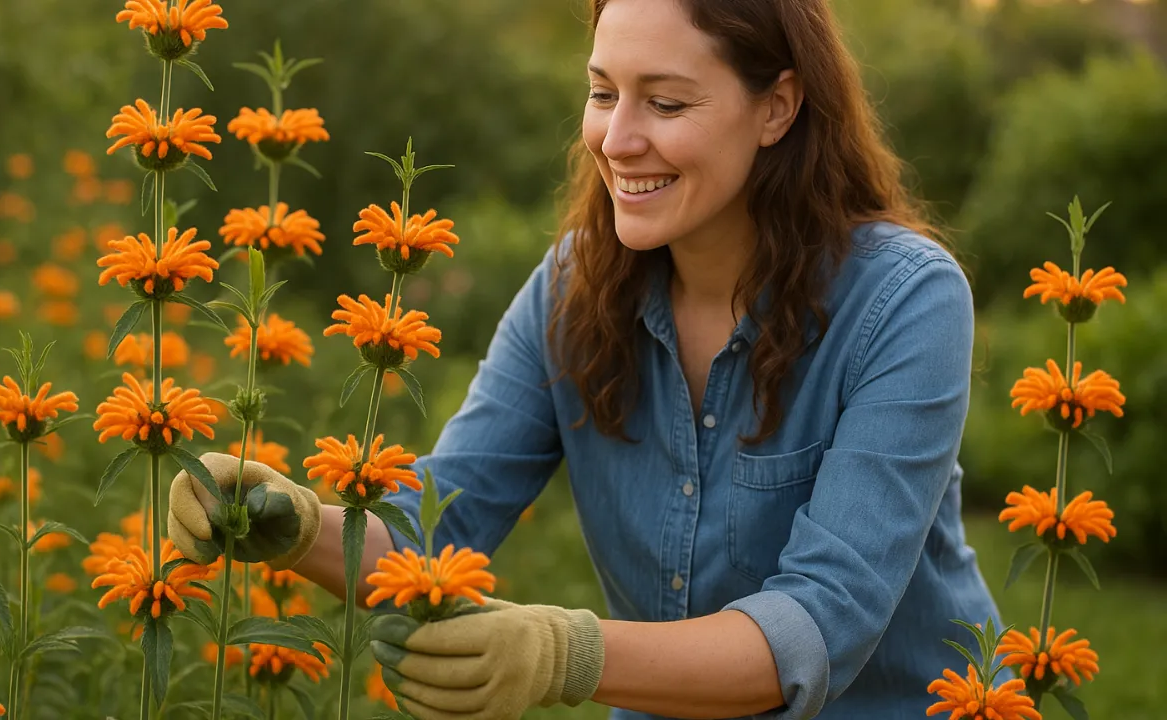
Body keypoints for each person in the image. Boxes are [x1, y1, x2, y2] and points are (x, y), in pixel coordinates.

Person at [167, 0, 1002, 717]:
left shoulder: (903, 301)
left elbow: (821, 619)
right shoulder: (575, 285)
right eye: (603, 93)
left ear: (777, 107)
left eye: (667, 104)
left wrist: (566, 653)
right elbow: (440, 520)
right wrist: (298, 524)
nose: (619, 138)